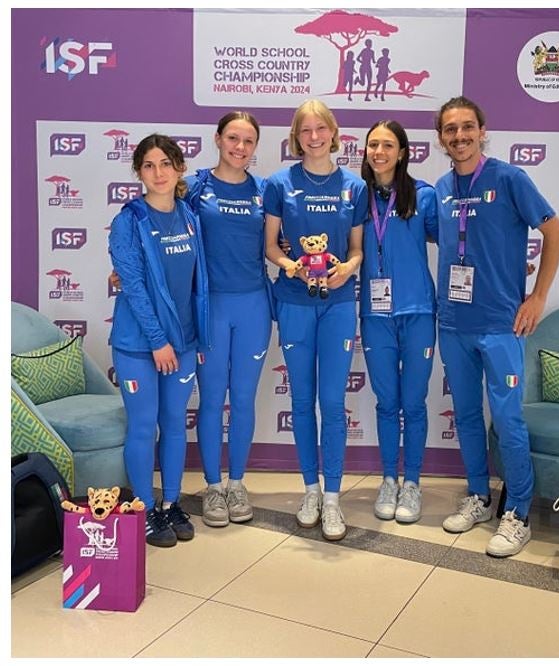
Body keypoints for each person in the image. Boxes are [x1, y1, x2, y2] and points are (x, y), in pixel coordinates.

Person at [433, 96, 559, 557]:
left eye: (467, 127)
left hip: (500, 324)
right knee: (468, 415)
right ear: (441, 139)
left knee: (508, 420)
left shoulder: (509, 178)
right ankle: (478, 496)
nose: (459, 136)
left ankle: (518, 513)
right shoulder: (441, 187)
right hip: (453, 323)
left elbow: (556, 232)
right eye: (450, 130)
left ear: (482, 129)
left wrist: (538, 296)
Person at [263, 99, 367, 541]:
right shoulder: (278, 183)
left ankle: (332, 499)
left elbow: (358, 249)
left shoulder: (354, 186)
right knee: (302, 401)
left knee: (332, 403)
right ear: (296, 137)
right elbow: (271, 247)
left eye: (320, 128)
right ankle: (310, 488)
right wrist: (291, 266)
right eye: (305, 130)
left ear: (332, 132)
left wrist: (347, 267)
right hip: (295, 300)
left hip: (339, 304)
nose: (314, 137)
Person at [108, 134, 209, 547]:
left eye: (166, 163)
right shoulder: (128, 220)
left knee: (173, 424)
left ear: (179, 168)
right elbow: (131, 284)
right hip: (139, 344)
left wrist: (190, 338)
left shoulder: (188, 215)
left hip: (181, 343)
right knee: (144, 425)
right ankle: (145, 508)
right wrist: (157, 341)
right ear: (138, 172)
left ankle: (170, 504)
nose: (158, 172)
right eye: (149, 165)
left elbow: (195, 282)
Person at [186, 112, 271, 529]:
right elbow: (166, 232)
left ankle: (237, 483)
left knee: (242, 399)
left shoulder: (264, 191)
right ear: (218, 139)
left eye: (248, 141)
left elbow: (280, 239)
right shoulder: (195, 187)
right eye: (233, 138)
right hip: (212, 308)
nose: (240, 147)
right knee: (212, 396)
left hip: (255, 306)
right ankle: (213, 486)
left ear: (256, 146)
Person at [358, 120, 439, 524]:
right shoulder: (357, 196)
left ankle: (412, 483)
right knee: (387, 403)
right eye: (373, 144)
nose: (379, 151)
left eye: (388, 145)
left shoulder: (423, 196)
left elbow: (464, 239)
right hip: (375, 316)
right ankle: (389, 479)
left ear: (403, 152)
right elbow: (327, 236)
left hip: (418, 312)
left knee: (414, 403)